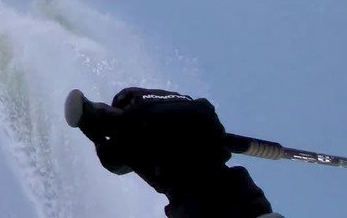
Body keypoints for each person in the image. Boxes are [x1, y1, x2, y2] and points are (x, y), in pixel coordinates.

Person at [76, 87, 284, 218]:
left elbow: (112, 159)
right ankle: (90, 113)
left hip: (205, 190)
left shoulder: (138, 131)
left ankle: (90, 113)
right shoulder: (137, 135)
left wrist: (90, 125)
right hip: (209, 192)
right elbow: (112, 160)